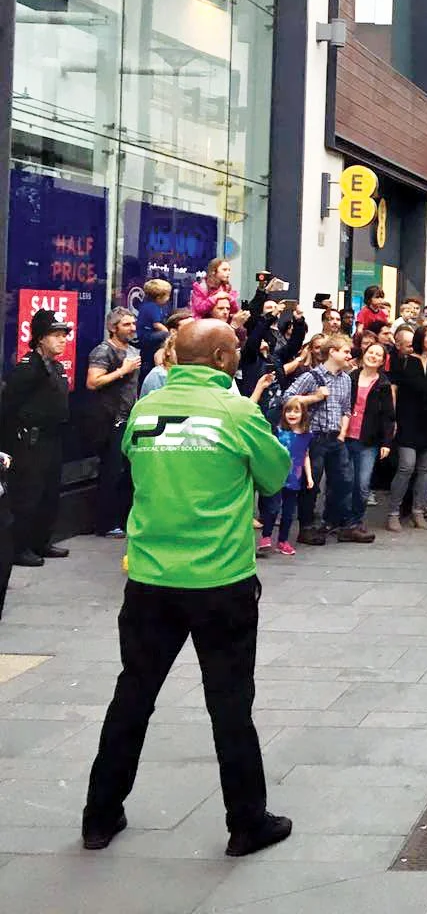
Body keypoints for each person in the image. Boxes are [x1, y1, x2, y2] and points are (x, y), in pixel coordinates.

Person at [81, 318, 294, 858]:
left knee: (133, 695)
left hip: (150, 578)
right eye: (235, 349)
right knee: (230, 704)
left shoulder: (146, 408)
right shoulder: (237, 411)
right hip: (219, 579)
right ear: (221, 359)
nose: (239, 354)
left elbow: (133, 461)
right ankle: (246, 823)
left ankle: (99, 816)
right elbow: (275, 475)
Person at [1, 308, 74, 572]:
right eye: (55, 335)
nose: (62, 339)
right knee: (28, 495)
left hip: (52, 438)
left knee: (49, 494)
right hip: (30, 441)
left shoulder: (55, 366)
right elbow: (9, 406)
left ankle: (41, 542)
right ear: (41, 338)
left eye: (64, 335)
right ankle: (20, 548)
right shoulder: (28, 367)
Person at [286, 334, 366, 543]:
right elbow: (287, 399)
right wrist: (314, 397)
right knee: (311, 483)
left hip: (335, 438)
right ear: (332, 352)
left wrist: (342, 434)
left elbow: (346, 409)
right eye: (345, 351)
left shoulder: (346, 379)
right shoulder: (311, 376)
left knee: (345, 481)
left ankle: (341, 524)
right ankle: (306, 527)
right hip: (314, 438)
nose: (349, 355)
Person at [85, 306, 142, 537]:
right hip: (110, 419)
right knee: (111, 471)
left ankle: (123, 518)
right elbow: (93, 382)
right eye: (126, 324)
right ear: (113, 327)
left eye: (133, 323)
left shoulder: (133, 350)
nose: (132, 328)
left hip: (129, 417)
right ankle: (105, 523)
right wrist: (122, 370)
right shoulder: (103, 351)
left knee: (126, 472)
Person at [388, 326, 427, 532]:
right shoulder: (403, 362)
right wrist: (392, 419)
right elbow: (393, 391)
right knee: (406, 466)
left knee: (425, 469)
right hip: (407, 420)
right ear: (422, 339)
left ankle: (418, 511)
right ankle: (393, 513)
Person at [345, 342, 395, 527]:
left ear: (382, 361)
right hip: (345, 437)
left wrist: (386, 443)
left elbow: (388, 416)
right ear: (364, 354)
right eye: (370, 352)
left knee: (363, 484)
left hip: (368, 441)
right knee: (344, 480)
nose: (373, 356)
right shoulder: (350, 377)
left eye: (378, 355)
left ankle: (355, 520)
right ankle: (338, 519)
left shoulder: (383, 384)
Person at [261, 397, 314, 556]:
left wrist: (309, 477)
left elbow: (305, 456)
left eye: (296, 411)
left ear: (303, 414)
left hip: (294, 479)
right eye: (288, 411)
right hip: (277, 476)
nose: (292, 414)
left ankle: (283, 541)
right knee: (272, 508)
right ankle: (266, 537)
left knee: (289, 513)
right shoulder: (278, 432)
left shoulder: (307, 435)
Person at [135, 279, 173, 379]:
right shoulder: (153, 307)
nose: (169, 298)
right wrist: (169, 334)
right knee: (165, 335)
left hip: (148, 335)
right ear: (159, 297)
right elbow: (157, 325)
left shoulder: (152, 306)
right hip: (146, 335)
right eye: (167, 296)